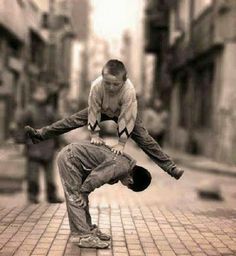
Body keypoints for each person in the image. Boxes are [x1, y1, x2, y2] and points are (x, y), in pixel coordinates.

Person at [25, 59, 184, 179]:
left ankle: (170, 167)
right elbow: (94, 110)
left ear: (124, 81)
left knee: (145, 139)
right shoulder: (96, 86)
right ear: (102, 78)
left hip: (122, 112)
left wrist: (121, 143)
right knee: (70, 121)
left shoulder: (129, 92)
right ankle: (40, 134)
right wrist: (94, 135)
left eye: (116, 84)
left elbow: (126, 118)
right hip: (102, 109)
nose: (111, 88)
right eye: (107, 83)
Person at [57, 140, 152, 248]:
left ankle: (87, 230)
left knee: (82, 195)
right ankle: (84, 237)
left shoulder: (127, 163)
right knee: (76, 197)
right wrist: (83, 192)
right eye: (127, 186)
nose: (124, 185)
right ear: (130, 180)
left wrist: (84, 192)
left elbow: (104, 169)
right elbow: (97, 177)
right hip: (70, 158)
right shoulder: (121, 166)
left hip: (74, 156)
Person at [17, 85, 63, 204]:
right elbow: (22, 127)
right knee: (32, 174)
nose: (41, 96)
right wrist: (21, 143)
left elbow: (56, 128)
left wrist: (57, 143)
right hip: (33, 146)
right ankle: (32, 196)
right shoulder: (29, 110)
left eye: (43, 93)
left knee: (50, 175)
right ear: (34, 95)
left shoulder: (50, 110)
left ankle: (51, 195)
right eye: (39, 93)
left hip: (48, 146)